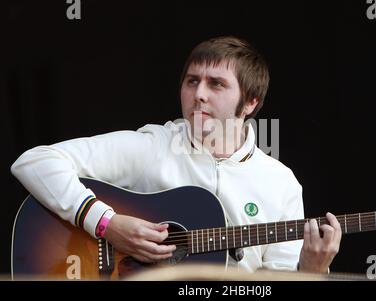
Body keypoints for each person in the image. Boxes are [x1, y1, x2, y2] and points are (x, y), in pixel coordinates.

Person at [11, 36, 341, 274]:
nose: (198, 94)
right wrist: (106, 223)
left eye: (216, 84)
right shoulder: (153, 145)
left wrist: (311, 271)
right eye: (191, 81)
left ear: (251, 101)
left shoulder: (280, 183)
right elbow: (34, 161)